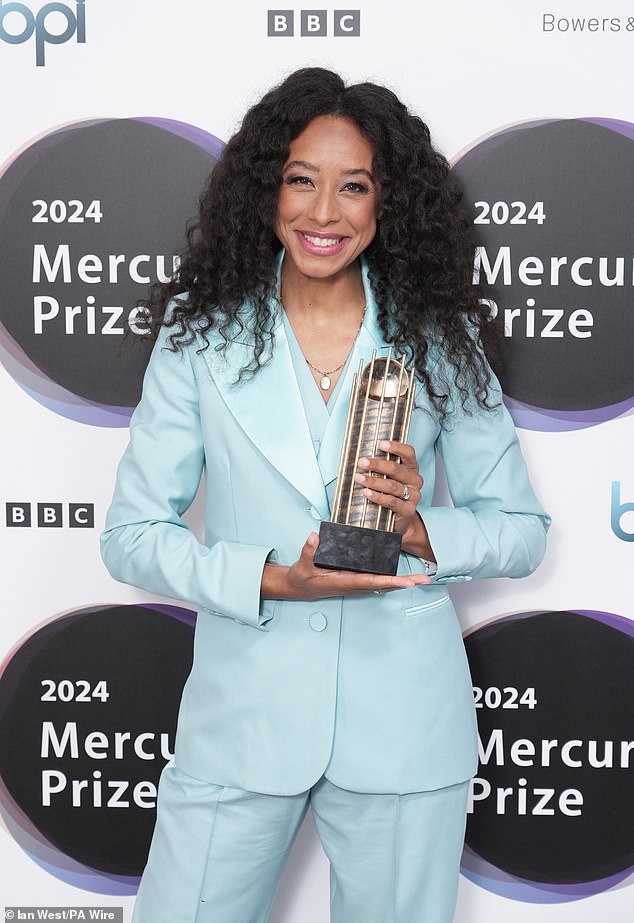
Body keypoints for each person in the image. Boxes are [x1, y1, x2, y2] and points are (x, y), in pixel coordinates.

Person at [101, 67, 549, 923]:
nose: (323, 212)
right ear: (266, 190)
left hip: (404, 728)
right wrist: (272, 577)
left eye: (354, 187)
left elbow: (520, 531)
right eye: (300, 180)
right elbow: (132, 534)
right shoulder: (201, 333)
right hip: (243, 722)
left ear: (388, 206)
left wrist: (422, 529)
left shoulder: (440, 338)